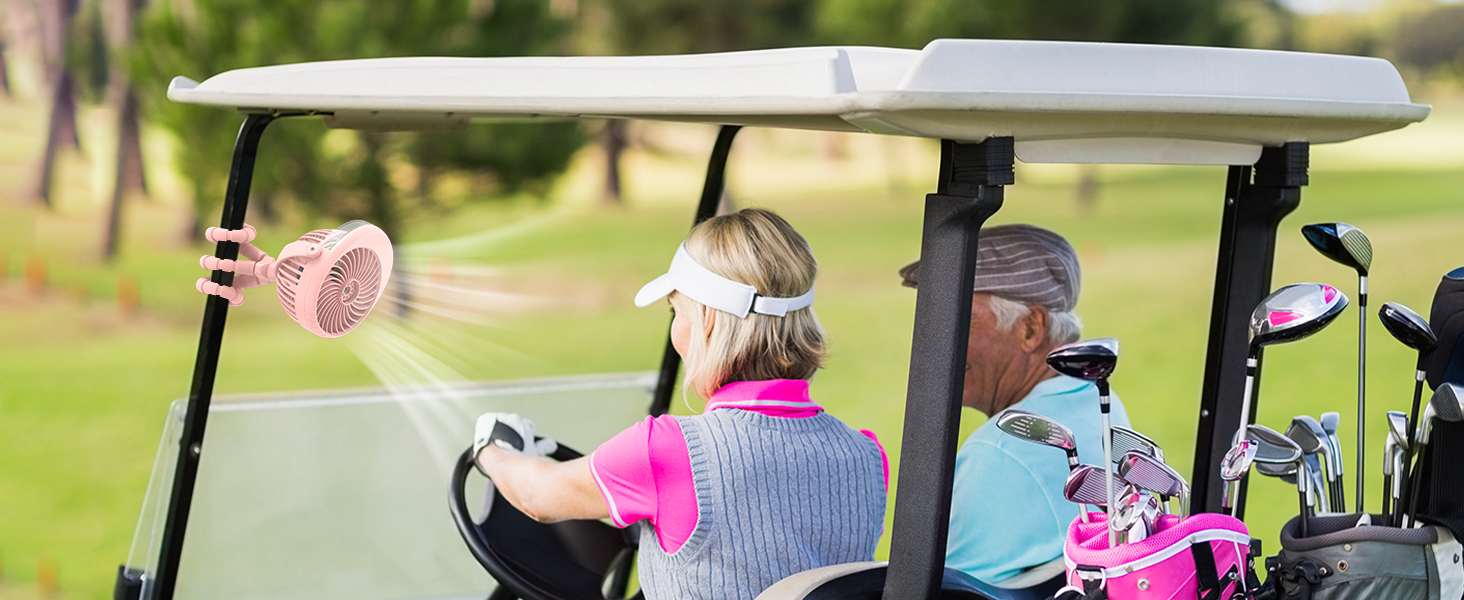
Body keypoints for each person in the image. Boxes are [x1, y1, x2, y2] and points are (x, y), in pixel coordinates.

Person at [473, 208, 888, 600]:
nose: (677, 331)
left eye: (677, 312)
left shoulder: (667, 449)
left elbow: (539, 497)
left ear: (707, 318)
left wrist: (492, 449)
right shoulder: (869, 455)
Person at [897, 224, 1130, 586]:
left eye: (961, 319)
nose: (938, 341)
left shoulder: (1000, 450)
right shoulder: (1100, 404)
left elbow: (937, 593)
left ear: (1031, 329)